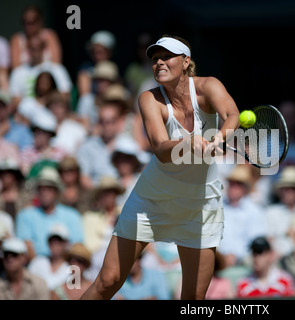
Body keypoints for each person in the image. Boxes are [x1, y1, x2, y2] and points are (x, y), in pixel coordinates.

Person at [80, 35, 240, 300]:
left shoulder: (209, 86)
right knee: (107, 281)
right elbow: (160, 148)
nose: (159, 63)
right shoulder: (148, 98)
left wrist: (219, 137)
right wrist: (190, 142)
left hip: (200, 204)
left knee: (193, 300)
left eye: (167, 57)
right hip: (151, 199)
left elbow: (232, 115)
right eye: (155, 59)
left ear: (186, 62)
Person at [15, 166, 84, 260]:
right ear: (37, 191)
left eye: (49, 188)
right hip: (35, 266)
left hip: (65, 266)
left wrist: (58, 267)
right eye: (41, 188)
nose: (45, 192)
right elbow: (26, 245)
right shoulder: (25, 215)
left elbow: (77, 246)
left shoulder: (72, 215)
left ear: (56, 191)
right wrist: (41, 268)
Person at [218, 164, 267, 268]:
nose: (233, 187)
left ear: (244, 188)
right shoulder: (217, 206)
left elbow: (255, 241)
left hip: (244, 260)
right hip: (217, 258)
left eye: (238, 184)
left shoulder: (254, 210)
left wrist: (236, 255)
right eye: (231, 183)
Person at [9, 35, 72, 113]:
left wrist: (43, 102)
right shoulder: (18, 72)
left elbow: (65, 97)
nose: (34, 52)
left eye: (37, 48)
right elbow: (15, 101)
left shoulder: (57, 69)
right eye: (31, 48)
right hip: (27, 115)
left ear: (44, 49)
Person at [76, 98, 125, 190]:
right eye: (103, 121)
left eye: (111, 121)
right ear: (98, 123)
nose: (107, 126)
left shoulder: (126, 146)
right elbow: (84, 178)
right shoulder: (87, 147)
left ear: (118, 123)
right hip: (96, 195)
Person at [9, 4, 62, 69]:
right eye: (25, 22)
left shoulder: (49, 35)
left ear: (40, 21)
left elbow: (57, 63)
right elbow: (15, 67)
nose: (28, 26)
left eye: (32, 22)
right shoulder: (17, 39)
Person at [27, 224, 70, 290]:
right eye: (52, 240)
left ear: (66, 243)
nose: (55, 243)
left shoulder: (71, 267)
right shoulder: (37, 262)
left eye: (59, 240)